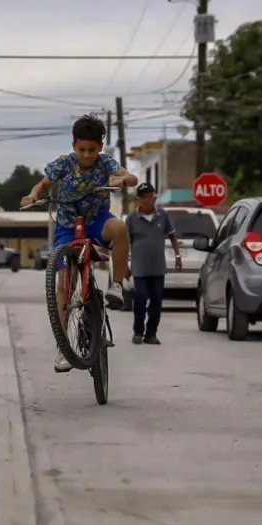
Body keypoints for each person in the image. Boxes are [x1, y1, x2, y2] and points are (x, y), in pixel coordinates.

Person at [20, 114, 138, 373]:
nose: (86, 155)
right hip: (67, 227)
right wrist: (32, 195)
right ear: (74, 145)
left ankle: (117, 285)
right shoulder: (64, 163)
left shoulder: (105, 163)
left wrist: (121, 179)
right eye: (81, 149)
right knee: (64, 284)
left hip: (97, 221)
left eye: (92, 150)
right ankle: (64, 347)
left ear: (100, 148)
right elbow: (43, 184)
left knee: (119, 228)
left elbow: (131, 178)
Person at [126, 183, 182, 345]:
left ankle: (151, 333)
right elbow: (125, 243)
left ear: (155, 198)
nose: (148, 200)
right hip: (140, 269)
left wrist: (177, 255)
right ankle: (138, 332)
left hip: (157, 267)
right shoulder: (132, 219)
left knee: (157, 301)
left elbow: (172, 235)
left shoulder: (162, 216)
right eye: (144, 197)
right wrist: (125, 265)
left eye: (150, 197)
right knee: (141, 298)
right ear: (138, 200)